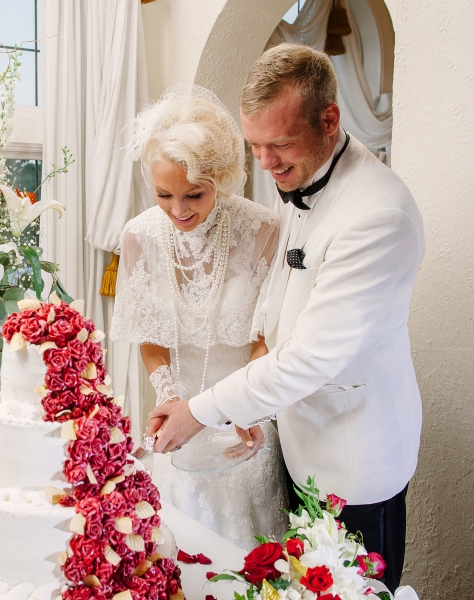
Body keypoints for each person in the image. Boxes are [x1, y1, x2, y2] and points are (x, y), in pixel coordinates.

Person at [147, 45, 425, 592]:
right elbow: (279, 304)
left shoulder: (378, 216)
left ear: (329, 120)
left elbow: (310, 358)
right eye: (254, 145)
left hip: (354, 465)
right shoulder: (299, 177)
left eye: (279, 144)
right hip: (299, 447)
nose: (266, 161)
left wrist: (199, 411)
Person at [110, 84, 288, 550]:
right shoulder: (138, 237)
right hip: (180, 432)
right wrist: (170, 398)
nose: (178, 210)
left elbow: (265, 337)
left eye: (194, 194)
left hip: (244, 426)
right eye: (163, 194)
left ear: (221, 179)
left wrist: (244, 406)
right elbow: (151, 338)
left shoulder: (263, 229)